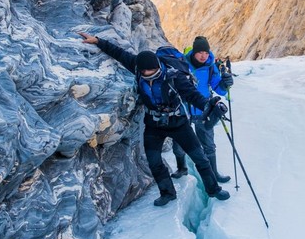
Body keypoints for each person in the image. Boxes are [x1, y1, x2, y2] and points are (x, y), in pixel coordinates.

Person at [78, 32, 230, 206]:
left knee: (200, 158)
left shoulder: (175, 76)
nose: (147, 74)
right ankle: (167, 193)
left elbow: (193, 95)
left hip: (178, 121)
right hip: (154, 123)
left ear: (158, 66)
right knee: (154, 161)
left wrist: (210, 105)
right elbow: (120, 54)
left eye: (151, 71)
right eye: (144, 72)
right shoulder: (138, 67)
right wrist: (98, 41)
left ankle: (214, 189)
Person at [170, 36, 234, 183]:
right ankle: (182, 168)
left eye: (206, 52)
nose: (203, 56)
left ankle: (214, 173)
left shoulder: (211, 66)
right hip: (184, 109)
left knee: (208, 145)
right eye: (200, 52)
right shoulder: (182, 64)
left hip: (203, 109)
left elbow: (220, 89)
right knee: (179, 143)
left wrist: (226, 83)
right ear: (194, 52)